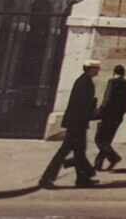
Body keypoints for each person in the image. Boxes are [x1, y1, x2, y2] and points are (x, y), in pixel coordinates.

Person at [40, 60, 101, 188]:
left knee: (79, 151)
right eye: (96, 68)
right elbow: (81, 104)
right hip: (77, 123)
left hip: (77, 122)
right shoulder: (85, 82)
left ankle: (82, 179)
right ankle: (46, 179)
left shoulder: (84, 81)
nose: (98, 71)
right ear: (90, 69)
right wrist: (93, 107)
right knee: (65, 151)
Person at [93, 64, 126, 171]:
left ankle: (114, 157)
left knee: (99, 140)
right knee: (107, 140)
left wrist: (99, 112)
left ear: (114, 72)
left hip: (108, 116)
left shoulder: (112, 82)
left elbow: (107, 100)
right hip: (118, 117)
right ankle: (98, 164)